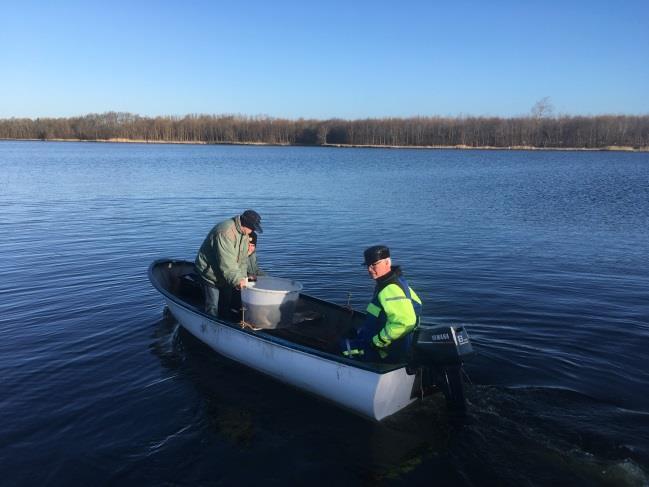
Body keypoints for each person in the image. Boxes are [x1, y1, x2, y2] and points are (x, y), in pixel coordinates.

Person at [342, 245, 422, 362]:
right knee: (350, 332)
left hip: (383, 352)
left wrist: (378, 341)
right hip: (385, 341)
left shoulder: (390, 289)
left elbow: (406, 322)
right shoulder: (397, 281)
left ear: (387, 262)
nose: (370, 269)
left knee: (339, 348)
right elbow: (417, 304)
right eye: (367, 265)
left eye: (374, 264)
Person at [195, 209, 263, 319]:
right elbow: (227, 264)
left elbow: (242, 261)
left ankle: (225, 321)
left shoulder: (245, 233)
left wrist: (255, 277)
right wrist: (238, 281)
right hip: (211, 273)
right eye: (252, 228)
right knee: (213, 307)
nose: (253, 231)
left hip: (226, 276)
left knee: (225, 304)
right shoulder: (225, 232)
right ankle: (209, 327)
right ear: (245, 224)